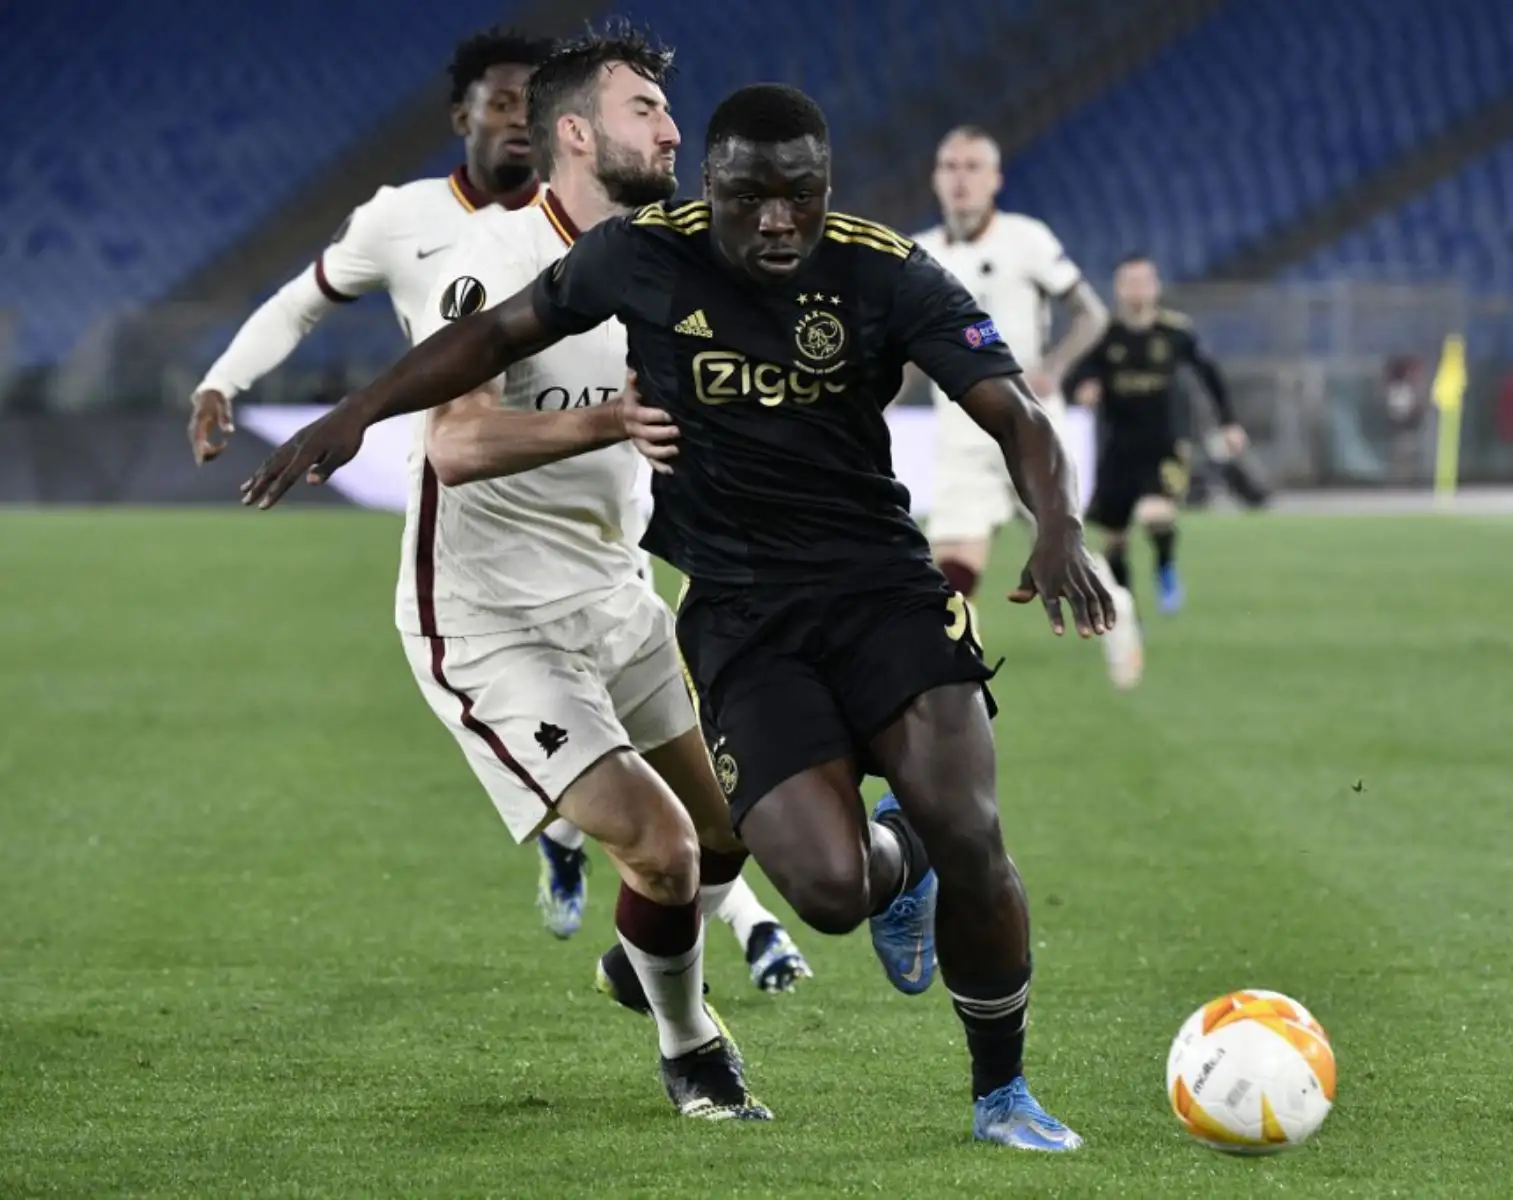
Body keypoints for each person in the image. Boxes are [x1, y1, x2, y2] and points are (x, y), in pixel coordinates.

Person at [240, 83, 1115, 1152]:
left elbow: (1016, 411)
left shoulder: (884, 268)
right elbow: (494, 336)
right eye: (753, 195)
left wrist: (1059, 527)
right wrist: (357, 413)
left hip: (883, 588)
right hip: (742, 616)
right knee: (831, 892)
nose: (779, 219)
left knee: (971, 827)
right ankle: (898, 864)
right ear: (714, 188)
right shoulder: (644, 256)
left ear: (826, 187)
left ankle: (1002, 1095)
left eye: (802, 194)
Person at [186, 28, 801, 969]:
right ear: (576, 134)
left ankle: (642, 960)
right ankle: (692, 1047)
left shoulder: (675, 260)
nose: (676, 131)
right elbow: (456, 441)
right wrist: (228, 380)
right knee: (664, 846)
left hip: (614, 592)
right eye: (648, 110)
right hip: (494, 616)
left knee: (734, 827)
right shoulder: (475, 252)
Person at [912, 126, 1143, 689]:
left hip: (1029, 425)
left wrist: (1055, 368)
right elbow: (907, 353)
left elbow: (1090, 314)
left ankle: (1120, 618)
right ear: (936, 178)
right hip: (960, 430)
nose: (960, 178)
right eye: (950, 166)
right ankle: (957, 683)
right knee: (952, 572)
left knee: (1066, 554)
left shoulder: (1026, 239)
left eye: (972, 167)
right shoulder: (918, 254)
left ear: (995, 179)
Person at [1067, 254, 1253, 615]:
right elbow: (1077, 375)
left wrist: (1228, 422)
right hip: (1117, 449)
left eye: (1144, 282)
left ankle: (1165, 567)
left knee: (1156, 515)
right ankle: (1125, 606)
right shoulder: (1104, 335)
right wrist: (1083, 389)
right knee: (1115, 537)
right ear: (1119, 289)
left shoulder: (1175, 332)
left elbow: (1209, 375)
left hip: (1164, 445)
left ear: (1155, 287)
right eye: (1129, 283)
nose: (1137, 290)